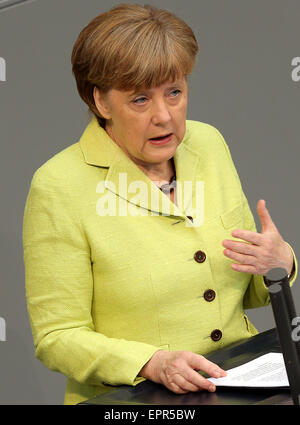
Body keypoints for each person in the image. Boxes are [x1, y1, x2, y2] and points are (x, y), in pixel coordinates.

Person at [23, 4, 297, 405]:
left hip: (241, 380)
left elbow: (250, 292)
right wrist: (151, 362)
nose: (164, 116)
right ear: (101, 102)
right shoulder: (58, 185)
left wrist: (279, 261)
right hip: (136, 400)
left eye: (175, 92)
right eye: (139, 100)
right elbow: (57, 337)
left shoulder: (208, 144)